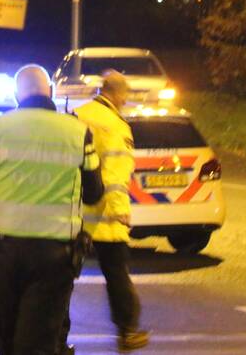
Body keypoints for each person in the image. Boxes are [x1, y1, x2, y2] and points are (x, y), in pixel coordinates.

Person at [0, 65, 103, 355]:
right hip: (55, 256)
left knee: (7, 341)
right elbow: (95, 193)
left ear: (17, 94)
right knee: (39, 342)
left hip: (3, 254)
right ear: (50, 92)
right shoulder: (78, 133)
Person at [76, 70, 149, 351]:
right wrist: (120, 210)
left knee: (60, 277)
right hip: (105, 216)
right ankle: (128, 332)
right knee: (117, 274)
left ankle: (55, 332)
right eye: (125, 96)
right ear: (117, 94)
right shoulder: (117, 126)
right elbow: (116, 173)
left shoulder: (78, 114)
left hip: (74, 215)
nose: (125, 101)